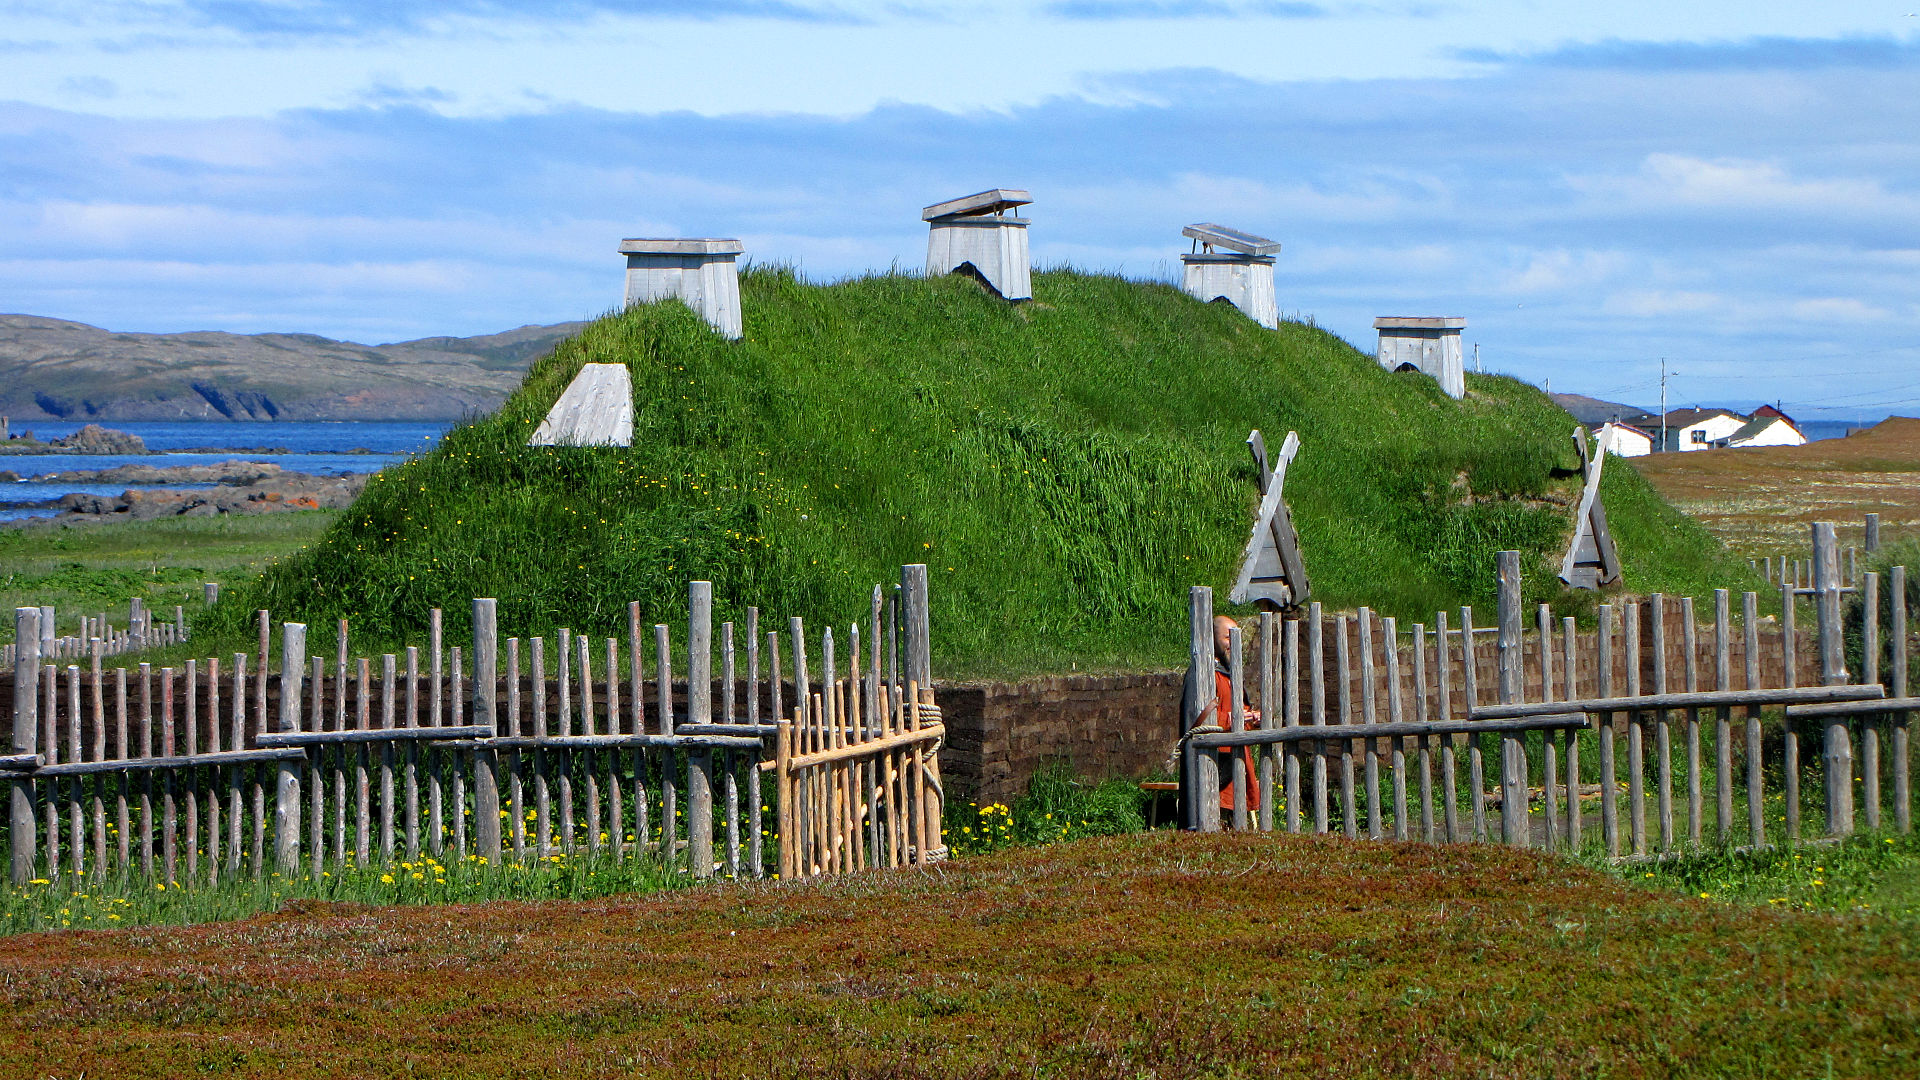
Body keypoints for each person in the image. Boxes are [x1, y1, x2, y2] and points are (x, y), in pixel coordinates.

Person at [1184, 614, 1261, 817]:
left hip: (1236, 764)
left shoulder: (1230, 675)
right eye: (1227, 638)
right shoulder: (1203, 674)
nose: (1232, 644)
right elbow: (1197, 719)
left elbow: (1240, 713)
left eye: (1236, 637)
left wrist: (1251, 719)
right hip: (1215, 764)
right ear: (1213, 638)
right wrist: (1231, 719)